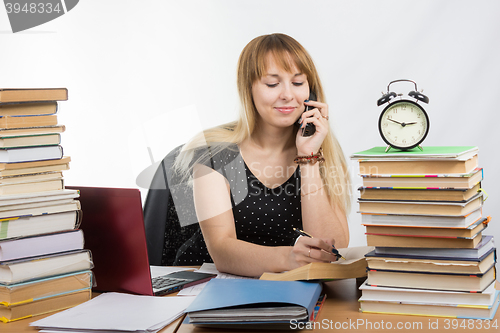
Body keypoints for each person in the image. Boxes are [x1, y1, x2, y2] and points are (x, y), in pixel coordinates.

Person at [173, 33, 351, 277]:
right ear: (249, 89)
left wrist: (308, 158)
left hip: (287, 286)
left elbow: (334, 248)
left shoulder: (321, 150)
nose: (288, 95)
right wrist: (288, 257)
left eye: (298, 83)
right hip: (204, 283)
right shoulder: (215, 152)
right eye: (272, 84)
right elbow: (222, 250)